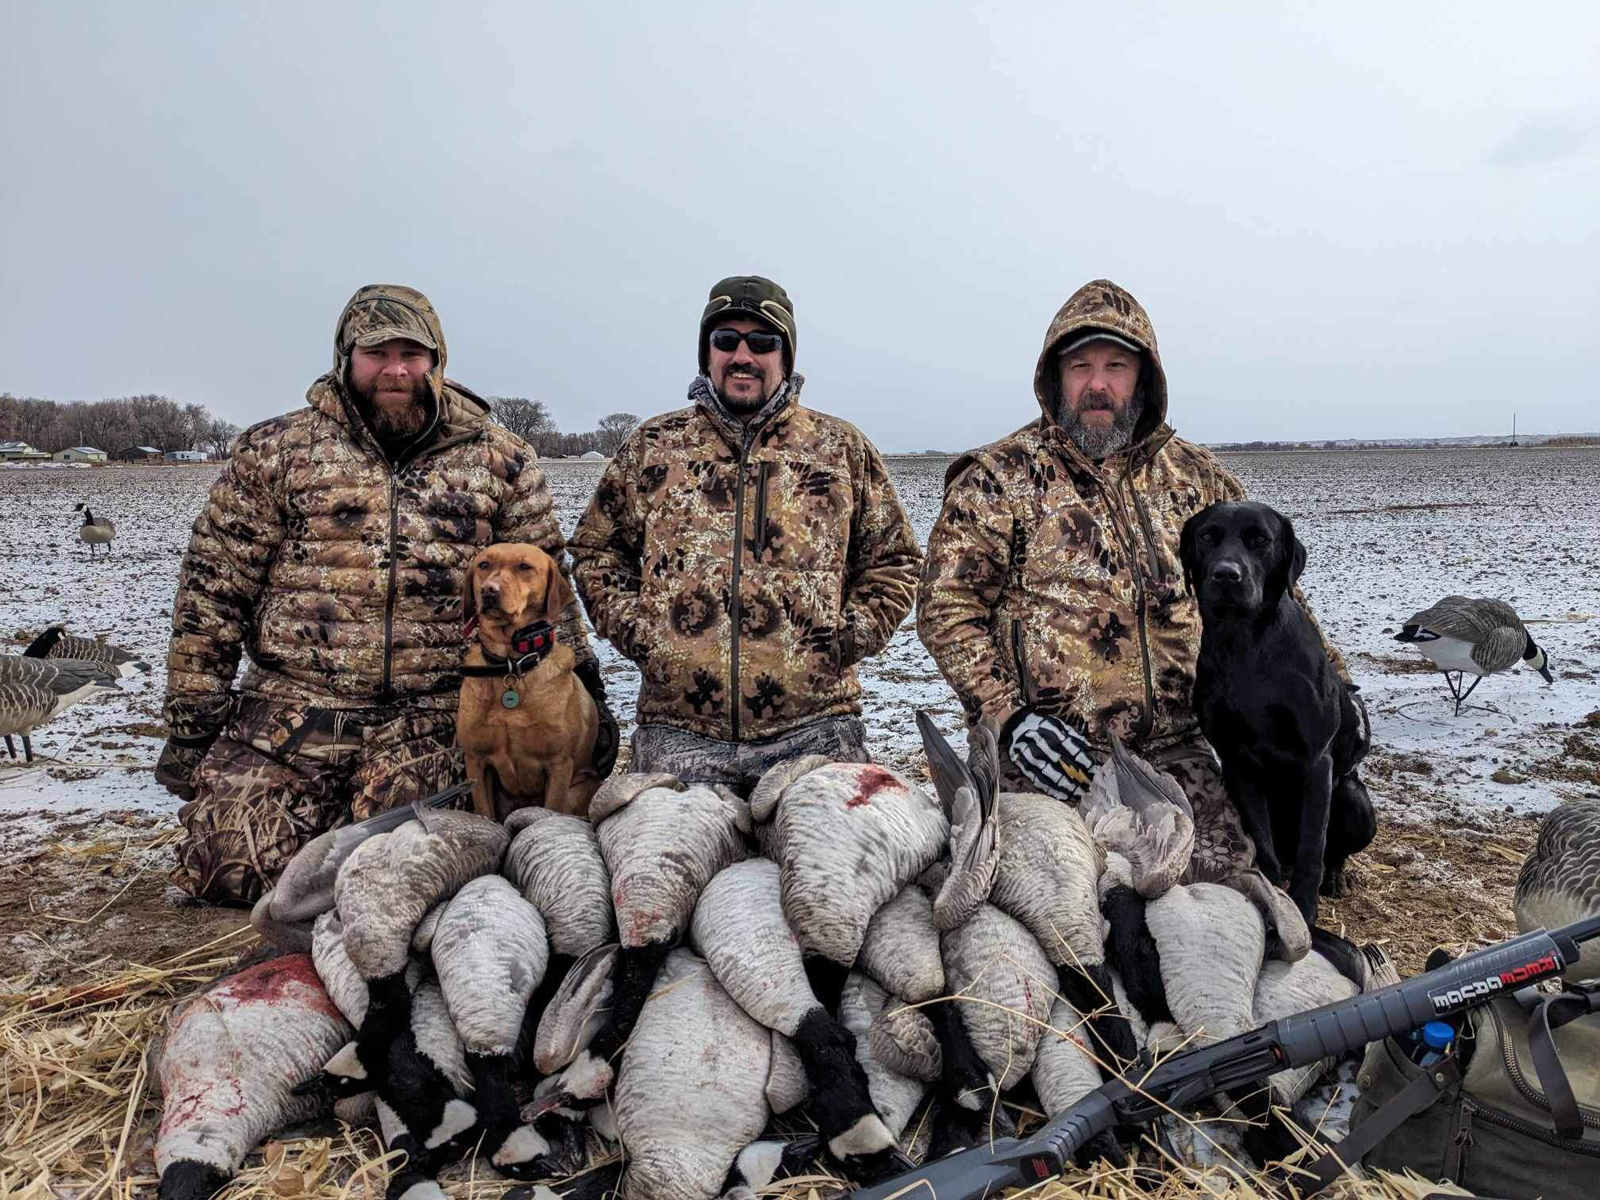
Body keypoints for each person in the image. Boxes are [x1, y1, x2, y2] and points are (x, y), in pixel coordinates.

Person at [156, 283, 617, 904]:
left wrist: (588, 692)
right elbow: (212, 592)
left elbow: (546, 582)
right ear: (345, 357)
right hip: (293, 710)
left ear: (437, 361)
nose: (395, 370)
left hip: (432, 716)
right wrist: (193, 724)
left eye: (412, 354)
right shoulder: (275, 452)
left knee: (404, 875)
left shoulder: (500, 460)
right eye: (377, 353)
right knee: (229, 873)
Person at [917, 278, 1372, 882]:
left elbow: (1279, 593)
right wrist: (1009, 717)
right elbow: (946, 608)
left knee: (1229, 890)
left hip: (1180, 748)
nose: (1097, 384)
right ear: (1055, 378)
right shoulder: (999, 478)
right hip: (1055, 756)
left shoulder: (1197, 478)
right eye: (1080, 366)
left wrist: (1339, 682)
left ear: (1145, 378)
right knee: (1060, 896)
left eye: (1116, 366)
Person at [569, 275, 922, 794]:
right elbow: (597, 550)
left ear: (785, 356)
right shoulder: (653, 446)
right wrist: (645, 634)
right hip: (679, 732)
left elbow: (895, 559)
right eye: (726, 339)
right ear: (706, 352)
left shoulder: (840, 448)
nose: (742, 356)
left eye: (762, 341)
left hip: (815, 730)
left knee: (837, 845)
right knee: (662, 846)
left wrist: (845, 639)